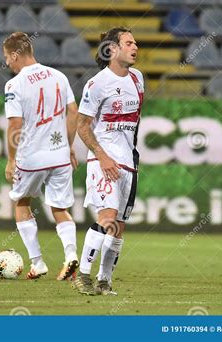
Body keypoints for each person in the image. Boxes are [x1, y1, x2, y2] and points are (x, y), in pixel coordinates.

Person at [73, 27, 144, 295]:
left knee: (118, 226)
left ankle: (104, 281)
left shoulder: (138, 79)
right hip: (104, 161)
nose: (135, 47)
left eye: (135, 42)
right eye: (128, 42)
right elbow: (82, 126)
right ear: (112, 49)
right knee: (107, 217)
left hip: (129, 163)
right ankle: (82, 275)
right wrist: (102, 156)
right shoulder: (97, 84)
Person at [3, 32, 79, 280]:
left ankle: (38, 262)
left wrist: (12, 159)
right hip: (59, 157)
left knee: (22, 203)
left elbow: (15, 124)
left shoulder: (15, 84)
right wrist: (68, 147)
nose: (7, 63)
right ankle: (70, 256)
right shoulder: (59, 76)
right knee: (60, 207)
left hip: (31, 157)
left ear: (15, 54)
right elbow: (73, 112)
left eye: (6, 57)